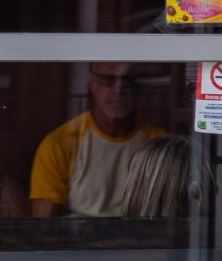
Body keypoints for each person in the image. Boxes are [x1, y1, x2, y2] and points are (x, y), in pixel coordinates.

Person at [29, 64, 164, 217]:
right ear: (91, 82)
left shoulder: (158, 144)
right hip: (77, 239)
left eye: (128, 79)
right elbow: (44, 225)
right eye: (109, 79)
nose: (119, 89)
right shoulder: (59, 143)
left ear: (137, 87)